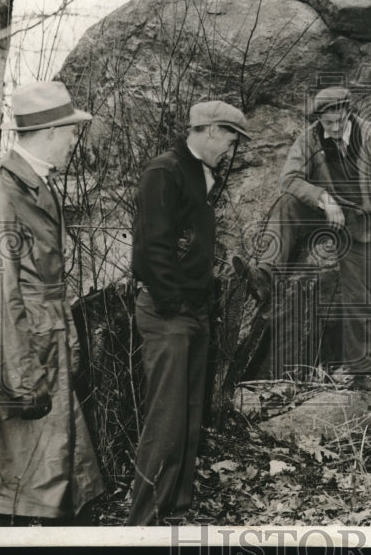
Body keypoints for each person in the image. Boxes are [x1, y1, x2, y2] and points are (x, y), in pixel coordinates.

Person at [0, 81, 104, 526]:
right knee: (3, 495)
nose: (74, 140)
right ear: (51, 130)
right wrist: (21, 380)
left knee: (42, 486)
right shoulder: (0, 197)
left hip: (37, 354)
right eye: (71, 131)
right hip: (10, 364)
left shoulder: (34, 187)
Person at [127, 100, 250, 526]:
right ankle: (142, 524)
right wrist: (173, 305)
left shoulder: (200, 174)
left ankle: (175, 511)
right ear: (212, 131)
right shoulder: (165, 170)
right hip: (168, 313)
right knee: (164, 422)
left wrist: (199, 305)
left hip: (194, 311)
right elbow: (150, 248)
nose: (231, 149)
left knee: (189, 417)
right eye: (231, 139)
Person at [235, 87, 371, 386]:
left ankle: (361, 372)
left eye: (340, 121)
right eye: (328, 123)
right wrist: (324, 198)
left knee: (360, 296)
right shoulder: (309, 138)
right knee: (287, 204)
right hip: (324, 212)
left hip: (362, 221)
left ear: (349, 113)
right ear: (319, 119)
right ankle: (264, 275)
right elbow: (288, 179)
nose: (334, 129)